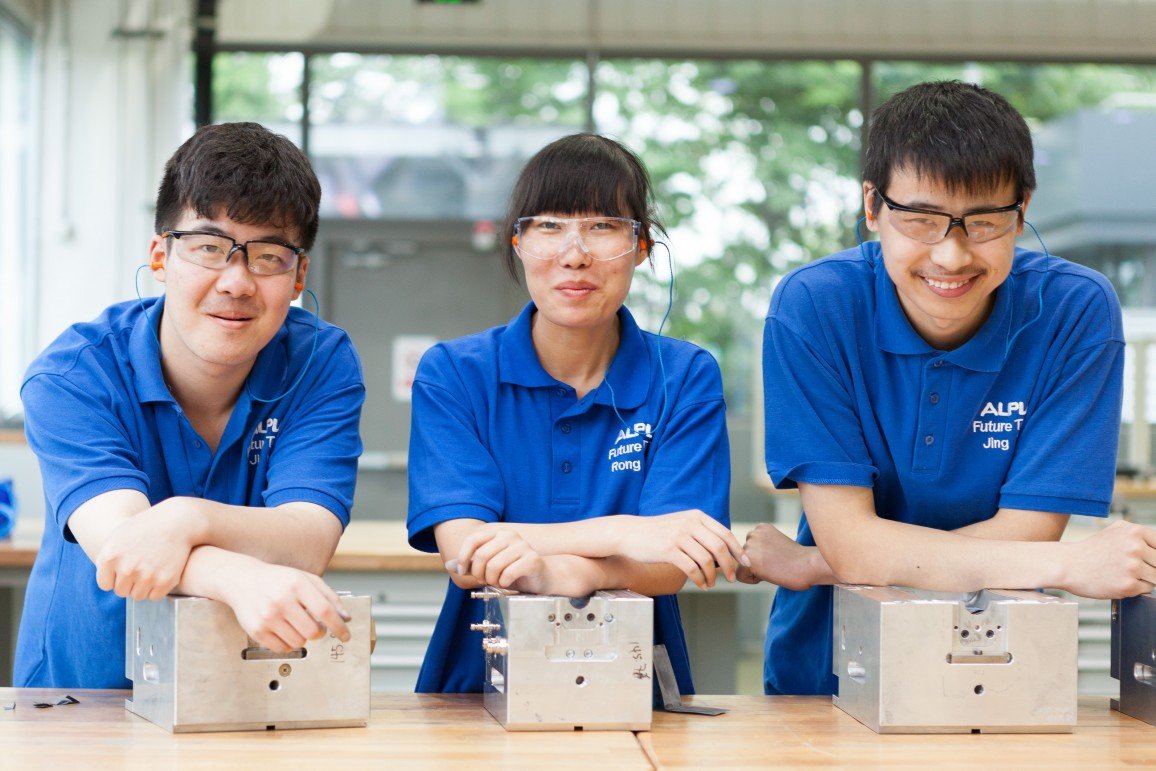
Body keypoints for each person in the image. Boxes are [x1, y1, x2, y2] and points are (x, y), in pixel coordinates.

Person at [743, 80, 1156, 696]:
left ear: (1023, 209)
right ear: (872, 206)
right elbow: (855, 544)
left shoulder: (1074, 311)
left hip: (999, 667)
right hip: (826, 669)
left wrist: (816, 563)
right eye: (922, 219)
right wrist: (1069, 564)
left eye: (985, 221)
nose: (953, 255)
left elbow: (1027, 533)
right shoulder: (817, 306)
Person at [15, 122, 365, 688]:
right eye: (207, 248)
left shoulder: (320, 361)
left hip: (245, 691)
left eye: (268, 255)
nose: (236, 281)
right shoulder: (74, 373)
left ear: (299, 274)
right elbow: (123, 545)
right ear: (160, 256)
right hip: (83, 692)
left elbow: (309, 537)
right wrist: (233, 573)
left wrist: (186, 517)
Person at [406, 133, 746, 693]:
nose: (575, 253)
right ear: (517, 242)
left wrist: (571, 571)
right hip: (477, 684)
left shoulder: (684, 376)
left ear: (642, 246)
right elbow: (465, 552)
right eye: (549, 225)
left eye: (603, 226)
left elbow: (675, 561)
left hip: (636, 683)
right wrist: (626, 534)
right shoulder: (455, 372)